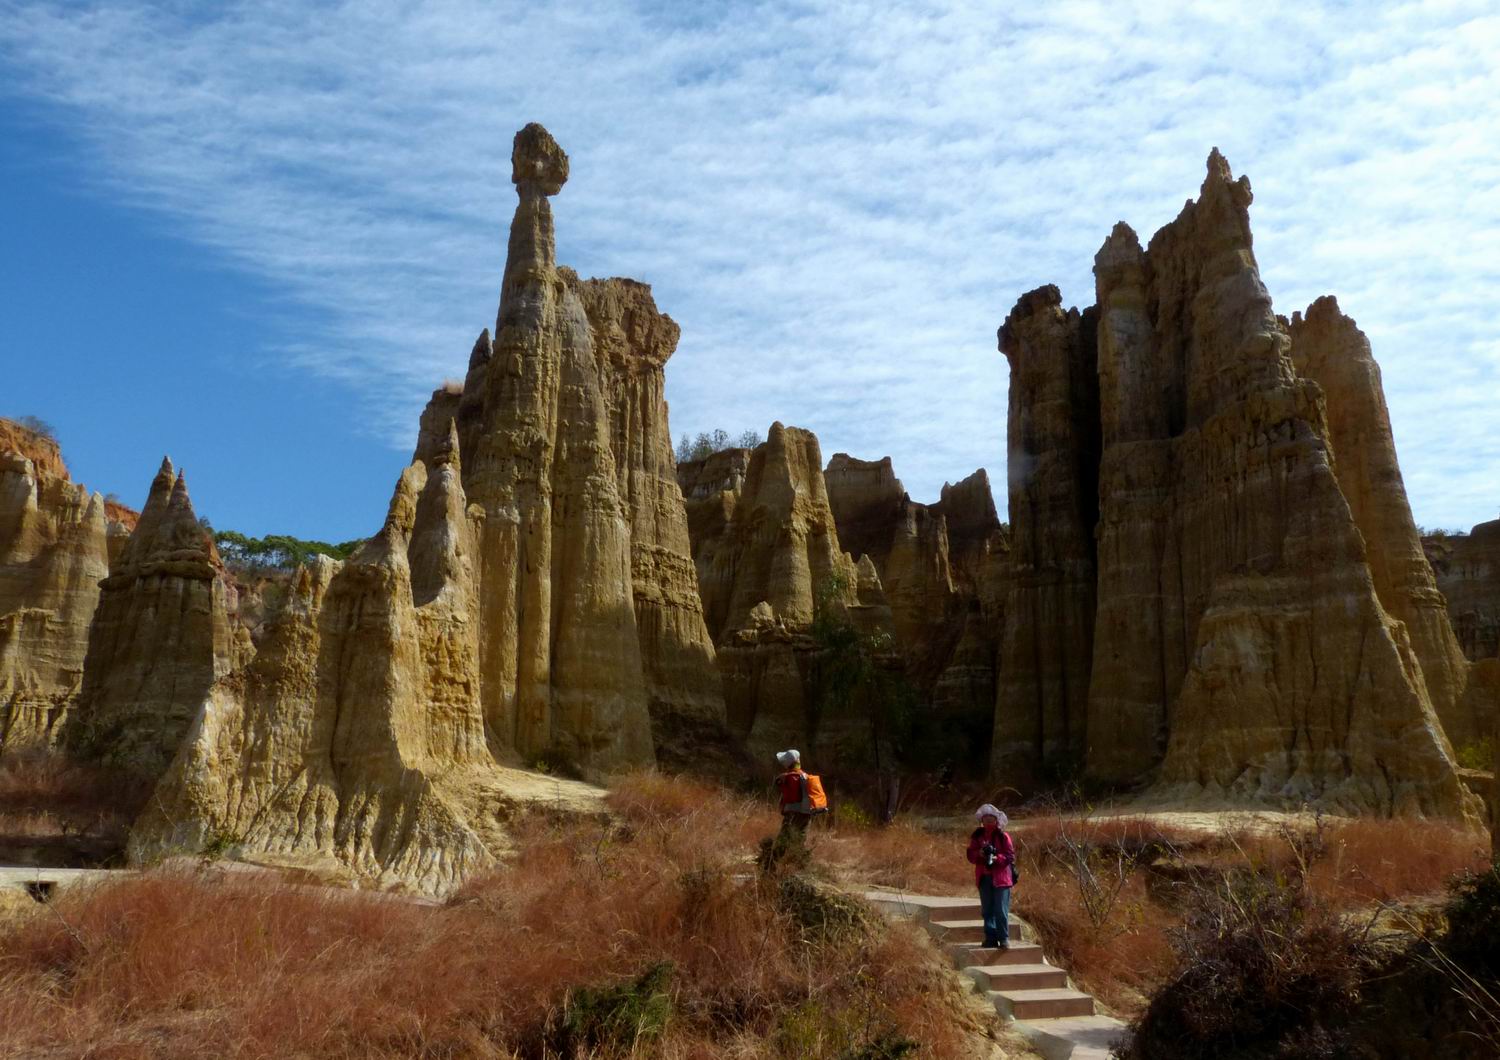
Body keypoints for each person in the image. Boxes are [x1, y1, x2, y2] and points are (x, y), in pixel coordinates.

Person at [966, 803, 1016, 949]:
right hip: (983, 877)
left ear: (997, 820)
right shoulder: (977, 836)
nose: (988, 821)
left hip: (1001, 879)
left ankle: (1004, 938)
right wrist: (980, 854)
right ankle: (990, 938)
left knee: (1001, 910)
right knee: (987, 910)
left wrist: (996, 858)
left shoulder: (1003, 836)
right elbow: (970, 855)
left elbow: (1009, 856)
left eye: (991, 818)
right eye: (985, 818)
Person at [773, 749, 814, 836]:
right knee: (800, 838)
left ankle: (777, 850)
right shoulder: (805, 776)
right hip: (806, 813)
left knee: (784, 838)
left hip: (792, 812)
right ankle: (798, 850)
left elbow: (777, 784)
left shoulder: (786, 777)